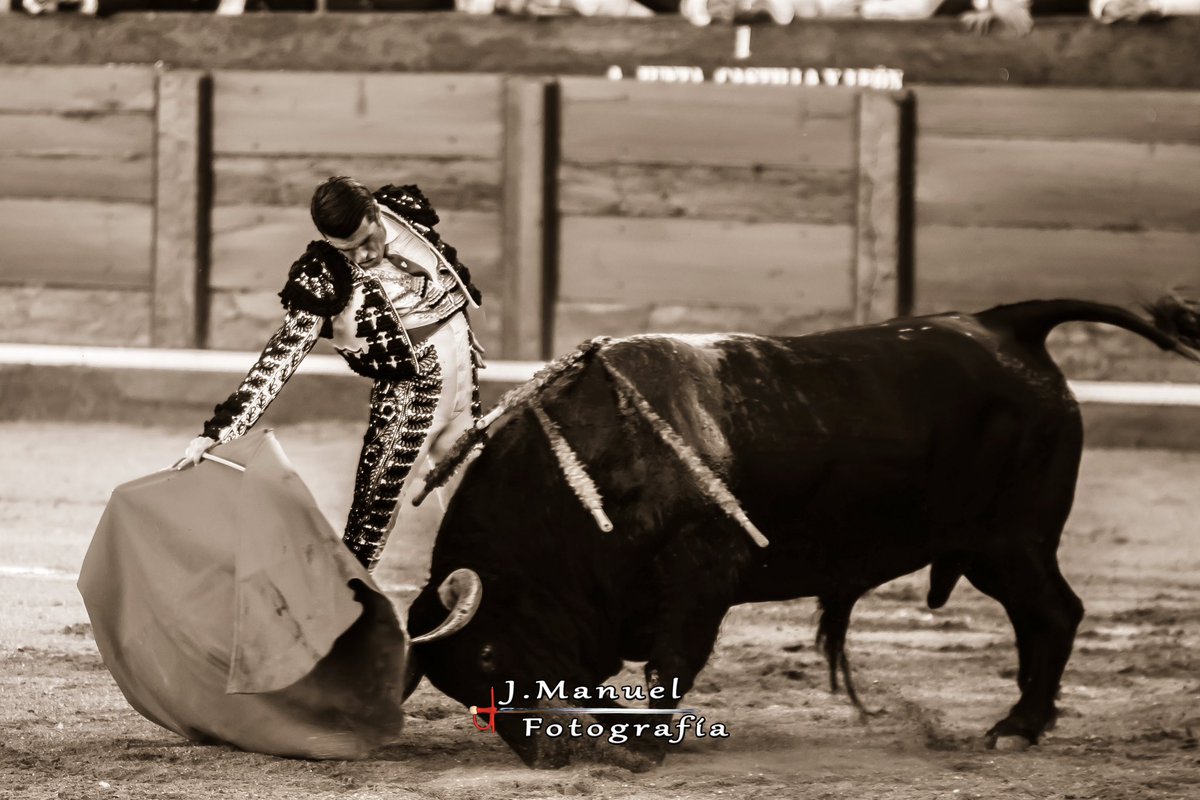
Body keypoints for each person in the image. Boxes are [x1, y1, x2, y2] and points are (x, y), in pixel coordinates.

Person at [181, 177, 485, 571]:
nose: (362, 255)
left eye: (366, 239)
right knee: (372, 520)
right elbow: (281, 355)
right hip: (411, 394)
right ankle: (339, 619)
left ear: (375, 212)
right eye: (348, 248)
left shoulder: (404, 212)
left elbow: (444, 283)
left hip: (462, 377)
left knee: (478, 499)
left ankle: (494, 608)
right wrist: (220, 431)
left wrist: (459, 334)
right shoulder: (324, 273)